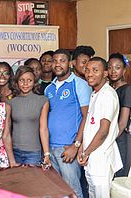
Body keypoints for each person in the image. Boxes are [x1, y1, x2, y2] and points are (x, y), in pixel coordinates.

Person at [44, 49, 92, 198]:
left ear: (70, 63)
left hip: (68, 148)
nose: (58, 64)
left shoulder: (79, 84)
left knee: (73, 192)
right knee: (56, 193)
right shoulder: (48, 89)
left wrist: (76, 145)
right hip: (50, 149)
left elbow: (87, 116)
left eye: (62, 60)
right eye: (55, 61)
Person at [78, 57, 122, 198]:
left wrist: (86, 152)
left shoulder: (108, 95)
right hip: (91, 158)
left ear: (105, 73)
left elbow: (103, 130)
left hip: (101, 160)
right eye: (87, 70)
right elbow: (90, 126)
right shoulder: (95, 93)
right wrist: (82, 148)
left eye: (95, 70)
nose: (89, 74)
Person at [9, 66, 50, 166]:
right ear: (17, 82)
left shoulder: (42, 100)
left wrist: (47, 154)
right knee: (17, 181)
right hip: (15, 151)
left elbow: (43, 129)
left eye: (29, 80)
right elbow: (7, 131)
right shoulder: (11, 103)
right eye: (22, 80)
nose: (25, 84)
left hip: (34, 153)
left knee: (33, 181)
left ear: (34, 82)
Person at [107, 53, 131, 176]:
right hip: (107, 135)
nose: (113, 71)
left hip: (120, 137)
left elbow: (122, 123)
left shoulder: (127, 89)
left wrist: (108, 139)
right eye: (110, 67)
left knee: (119, 176)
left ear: (124, 70)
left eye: (117, 67)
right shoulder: (108, 88)